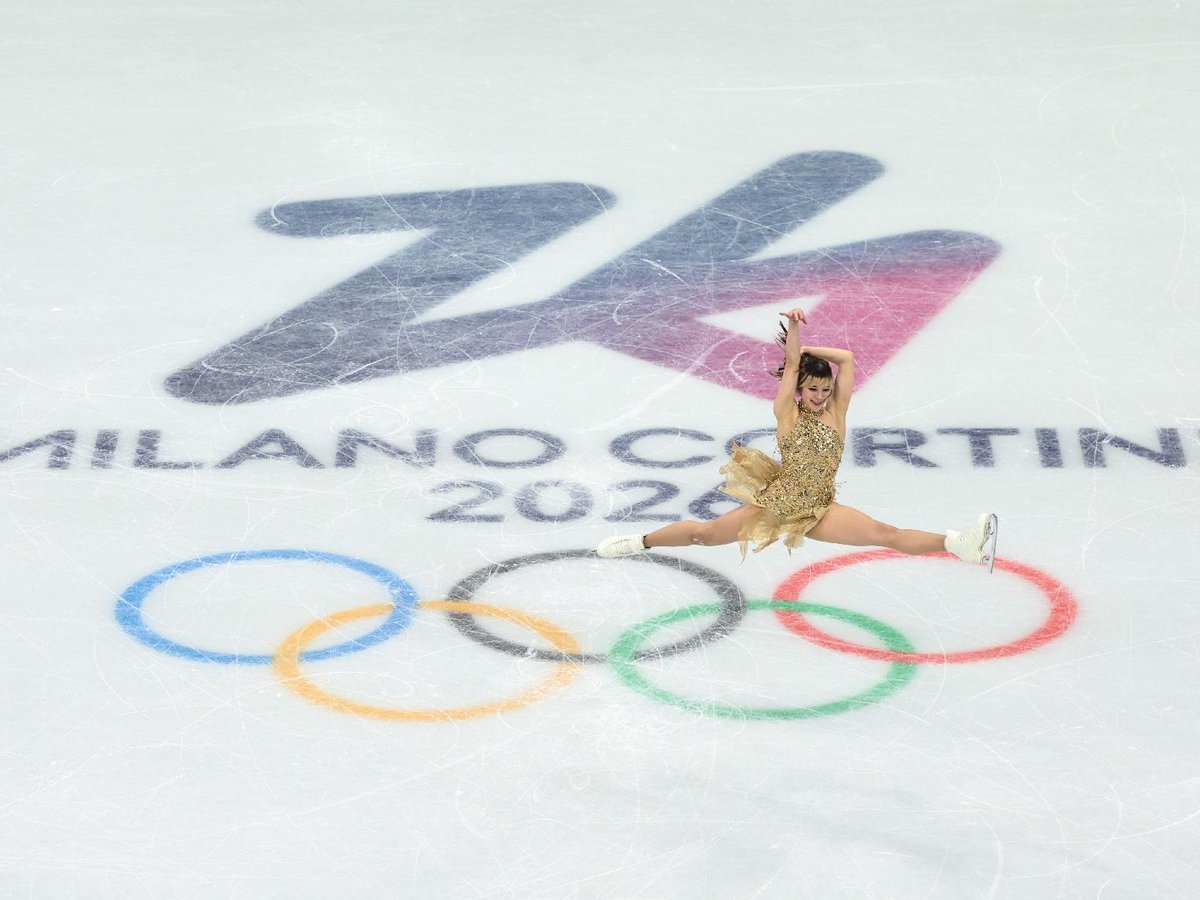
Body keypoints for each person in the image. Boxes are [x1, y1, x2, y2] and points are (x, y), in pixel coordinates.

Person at [596, 308, 996, 567]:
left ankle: (960, 544)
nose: (822, 396)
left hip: (818, 508)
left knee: (885, 534)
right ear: (801, 390)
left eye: (826, 389)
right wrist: (796, 341)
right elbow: (791, 364)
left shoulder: (837, 412)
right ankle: (640, 541)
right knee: (704, 534)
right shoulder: (787, 413)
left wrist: (809, 352)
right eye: (814, 390)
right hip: (774, 504)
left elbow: (848, 359)